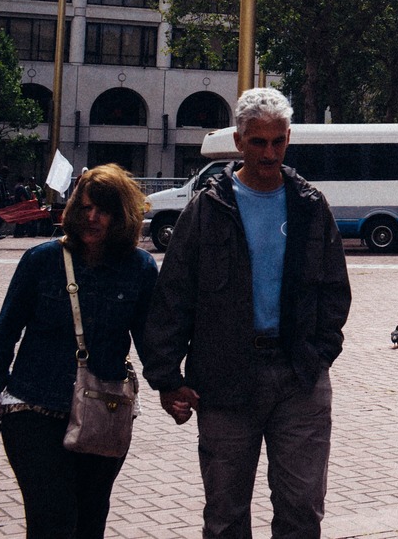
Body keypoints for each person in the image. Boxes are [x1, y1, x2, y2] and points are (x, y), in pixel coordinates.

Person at [144, 87, 351, 539]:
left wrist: (319, 354)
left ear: (288, 139)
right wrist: (167, 377)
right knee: (225, 515)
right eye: (258, 142)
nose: (269, 153)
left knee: (301, 510)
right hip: (224, 380)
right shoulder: (208, 208)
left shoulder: (310, 206)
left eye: (278, 141)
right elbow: (173, 295)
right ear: (239, 142)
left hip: (299, 378)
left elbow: (336, 291)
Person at [0, 165, 157, 539]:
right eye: (85, 207)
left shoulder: (139, 268)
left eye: (103, 210)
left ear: (122, 216)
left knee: (90, 521)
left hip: (104, 409)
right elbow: (7, 327)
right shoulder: (41, 260)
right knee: (53, 521)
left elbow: (150, 338)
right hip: (34, 408)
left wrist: (172, 387)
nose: (92, 217)